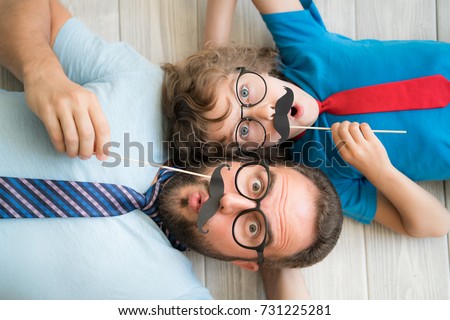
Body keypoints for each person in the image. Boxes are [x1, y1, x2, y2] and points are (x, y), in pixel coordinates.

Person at [0, 0, 343, 299]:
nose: (228, 201)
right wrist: (41, 70)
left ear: (246, 263)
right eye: (256, 185)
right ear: (245, 158)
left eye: (253, 227)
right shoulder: (142, 84)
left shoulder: (172, 296)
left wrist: (278, 255)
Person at [162, 0, 450, 239]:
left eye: (245, 91)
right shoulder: (322, 172)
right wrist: (381, 171)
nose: (266, 112)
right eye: (245, 128)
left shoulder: (305, 48)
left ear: (252, 68)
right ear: (249, 155)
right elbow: (436, 224)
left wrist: (215, 55)